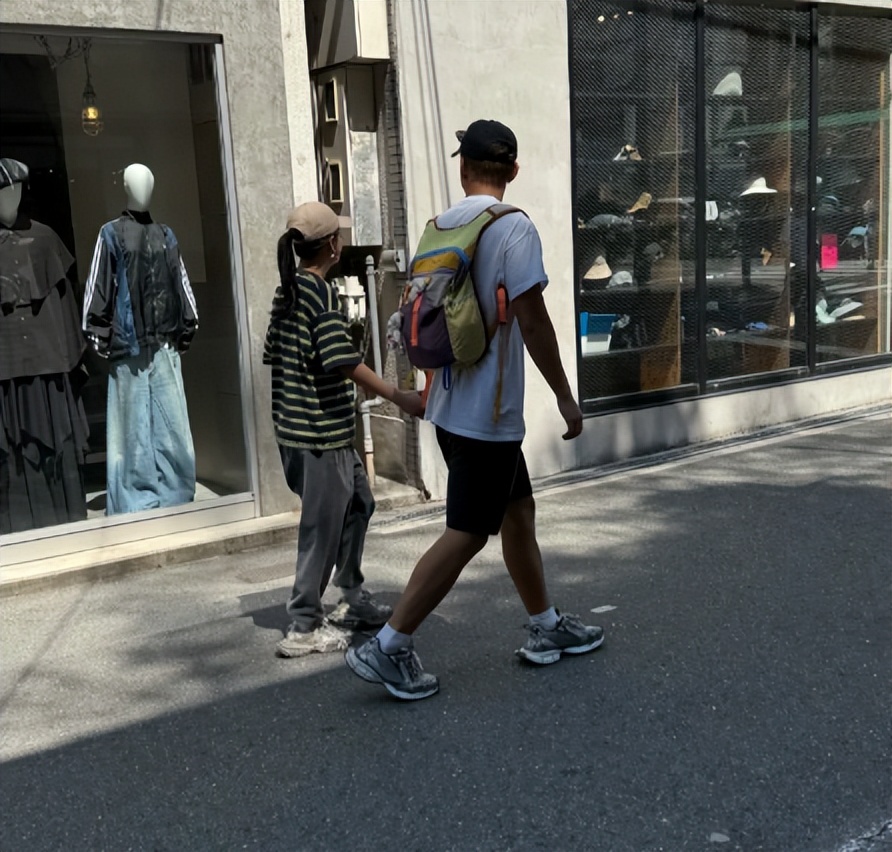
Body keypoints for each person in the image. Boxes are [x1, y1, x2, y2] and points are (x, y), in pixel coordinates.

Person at [346, 119, 602, 700]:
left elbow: (424, 319)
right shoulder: (513, 228)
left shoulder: (439, 227)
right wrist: (565, 395)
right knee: (466, 534)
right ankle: (389, 645)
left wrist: (424, 390)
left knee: (519, 513)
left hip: (451, 407)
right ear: (513, 170)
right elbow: (533, 322)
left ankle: (545, 624)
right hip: (487, 417)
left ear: (463, 169)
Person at [264, 201, 425, 658]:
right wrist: (399, 396)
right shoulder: (319, 293)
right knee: (322, 529)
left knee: (359, 503)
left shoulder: (288, 290)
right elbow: (341, 359)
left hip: (306, 430)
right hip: (318, 434)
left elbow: (275, 351)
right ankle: (304, 625)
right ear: (334, 245)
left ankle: (350, 594)